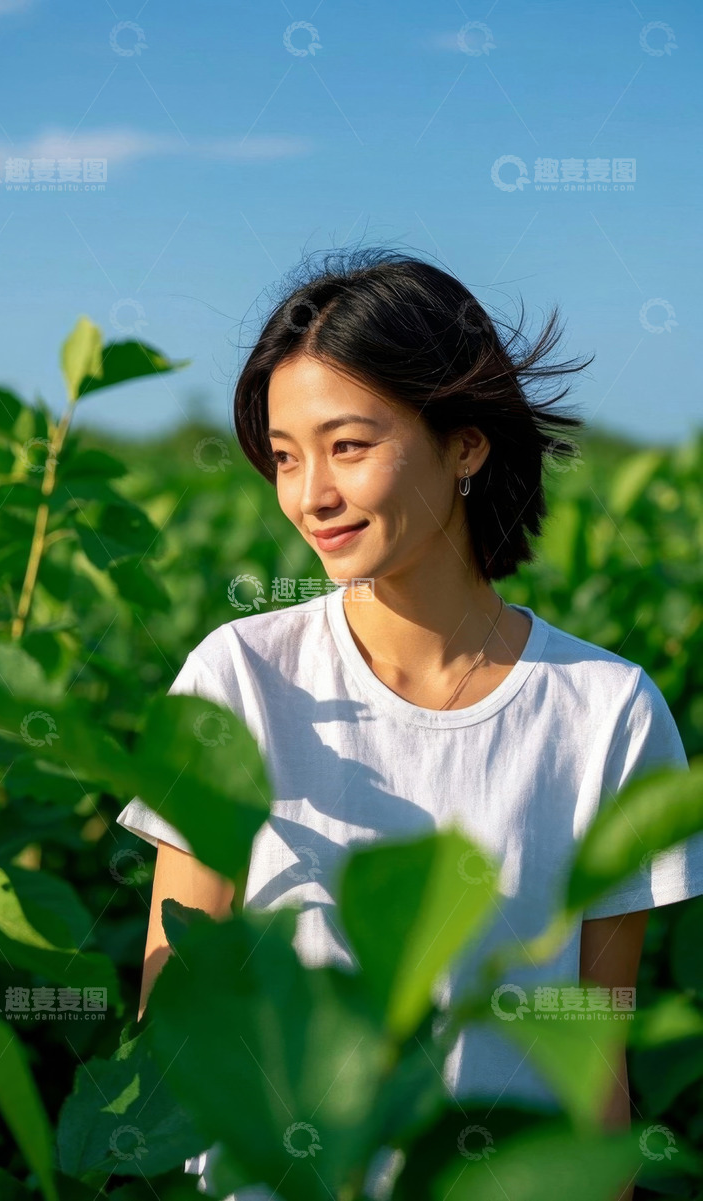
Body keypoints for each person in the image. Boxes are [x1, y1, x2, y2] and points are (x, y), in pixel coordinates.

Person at [116, 249, 703, 1201]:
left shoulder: (606, 712)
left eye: (349, 446)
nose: (311, 494)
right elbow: (173, 1006)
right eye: (285, 454)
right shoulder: (241, 679)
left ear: (465, 444)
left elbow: (592, 1057)